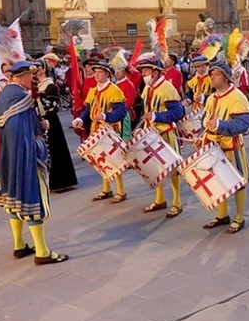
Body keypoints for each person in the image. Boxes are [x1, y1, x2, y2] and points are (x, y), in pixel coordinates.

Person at [0, 61, 68, 265]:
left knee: (14, 201)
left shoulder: (5, 95)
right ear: (21, 76)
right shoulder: (21, 97)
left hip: (9, 156)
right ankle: (42, 252)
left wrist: (39, 123)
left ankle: (19, 245)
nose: (32, 79)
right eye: (29, 75)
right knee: (34, 201)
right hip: (26, 157)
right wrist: (40, 135)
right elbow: (24, 133)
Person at [200, 61, 249, 233]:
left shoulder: (237, 96)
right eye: (211, 74)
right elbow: (205, 119)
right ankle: (222, 215)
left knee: (238, 182)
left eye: (216, 74)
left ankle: (239, 217)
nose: (212, 77)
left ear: (226, 77)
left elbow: (243, 124)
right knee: (218, 181)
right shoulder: (210, 98)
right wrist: (202, 135)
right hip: (213, 146)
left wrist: (220, 125)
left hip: (231, 147)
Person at [137, 58, 187, 218]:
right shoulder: (147, 88)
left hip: (166, 133)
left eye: (146, 70)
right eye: (142, 70)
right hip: (151, 133)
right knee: (155, 167)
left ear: (156, 72)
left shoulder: (167, 87)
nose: (143, 73)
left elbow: (178, 112)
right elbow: (146, 110)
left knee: (173, 169)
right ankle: (160, 199)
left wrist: (156, 116)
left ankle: (177, 202)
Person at [72, 62, 128, 203]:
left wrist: (106, 116)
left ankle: (121, 191)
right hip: (95, 129)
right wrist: (81, 119)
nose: (96, 75)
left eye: (100, 72)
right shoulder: (93, 90)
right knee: (100, 160)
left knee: (114, 160)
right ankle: (106, 189)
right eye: (95, 72)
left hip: (109, 130)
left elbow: (121, 112)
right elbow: (88, 110)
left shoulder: (114, 90)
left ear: (107, 74)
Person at [35, 60, 77, 192]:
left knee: (54, 149)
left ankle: (60, 181)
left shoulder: (49, 85)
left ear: (44, 69)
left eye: (38, 67)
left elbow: (53, 106)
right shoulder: (38, 85)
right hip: (41, 119)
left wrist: (38, 99)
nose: (36, 70)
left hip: (51, 120)